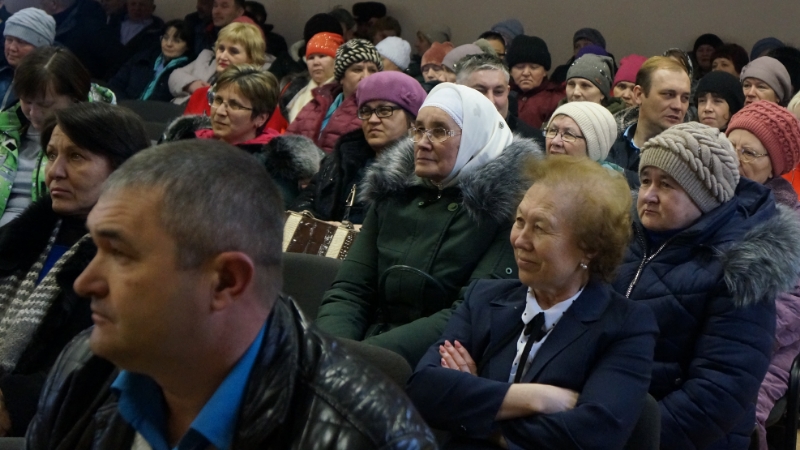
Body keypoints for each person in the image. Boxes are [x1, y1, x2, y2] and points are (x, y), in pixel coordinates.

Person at [25, 139, 438, 450]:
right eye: (96, 247)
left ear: (225, 281)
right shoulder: (85, 363)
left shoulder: (369, 435)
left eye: (121, 254)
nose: (84, 283)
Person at [406, 156, 658, 449]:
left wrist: (474, 403)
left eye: (540, 227)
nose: (519, 240)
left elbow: (594, 435)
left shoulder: (626, 325)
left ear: (589, 248)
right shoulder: (485, 298)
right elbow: (423, 390)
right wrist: (535, 398)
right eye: (519, 221)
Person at [315, 83, 542, 367]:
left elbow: (468, 314)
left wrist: (359, 357)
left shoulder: (506, 209)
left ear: (475, 139)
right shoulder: (392, 192)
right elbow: (350, 290)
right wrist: (329, 350)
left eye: (439, 131)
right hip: (357, 349)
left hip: (437, 361)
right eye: (419, 129)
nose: (422, 141)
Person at [612, 122, 800, 449]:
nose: (649, 195)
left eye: (667, 184)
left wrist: (627, 435)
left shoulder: (741, 267)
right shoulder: (624, 241)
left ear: (706, 194)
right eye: (645, 180)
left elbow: (718, 394)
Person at [0, 102, 149, 437]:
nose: (55, 171)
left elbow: (90, 375)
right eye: (51, 155)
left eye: (76, 157)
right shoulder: (22, 237)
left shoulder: (135, 261)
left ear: (122, 169)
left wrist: (12, 402)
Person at [725, 103, 800, 450]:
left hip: (769, 340)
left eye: (749, 152)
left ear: (774, 166)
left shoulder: (789, 220)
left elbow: (791, 306)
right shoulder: (705, 198)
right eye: (729, 146)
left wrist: (736, 338)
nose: (735, 158)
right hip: (710, 328)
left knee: (731, 408)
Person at [163, 65, 322, 207]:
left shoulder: (276, 164)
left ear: (261, 118)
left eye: (234, 105)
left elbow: (264, 218)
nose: (219, 112)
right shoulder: (187, 140)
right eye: (217, 100)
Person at [0, 46, 116, 228]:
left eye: (44, 104)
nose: (33, 113)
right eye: (26, 101)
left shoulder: (103, 134)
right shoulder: (6, 126)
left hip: (48, 234)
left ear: (75, 98)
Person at [290, 71, 426, 224]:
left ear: (413, 119)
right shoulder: (343, 157)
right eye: (366, 111)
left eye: (384, 111)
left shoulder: (423, 168)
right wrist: (318, 225)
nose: (373, 119)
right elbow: (306, 200)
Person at [286, 38, 382, 153]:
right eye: (357, 70)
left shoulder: (380, 112)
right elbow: (287, 142)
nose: (366, 77)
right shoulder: (318, 102)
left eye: (372, 70)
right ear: (342, 77)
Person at [607, 56, 691, 187]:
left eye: (685, 98)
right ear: (639, 95)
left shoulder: (691, 160)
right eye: (668, 94)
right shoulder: (605, 143)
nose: (678, 106)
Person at [169, 21, 266, 106]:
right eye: (221, 48)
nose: (222, 56)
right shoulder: (209, 59)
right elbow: (174, 76)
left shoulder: (253, 93)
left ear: (251, 58)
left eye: (233, 51)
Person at [455, 52, 543, 142]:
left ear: (507, 92)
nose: (491, 100)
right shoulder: (443, 135)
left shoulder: (533, 143)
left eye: (498, 92)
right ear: (456, 91)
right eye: (480, 91)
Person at [109, 19, 193, 101]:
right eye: (165, 38)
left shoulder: (187, 70)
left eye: (177, 41)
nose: (168, 44)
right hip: (124, 108)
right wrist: (125, 105)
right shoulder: (143, 58)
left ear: (187, 46)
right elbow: (115, 84)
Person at [40, 0, 118, 80]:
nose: (41, 9)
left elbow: (118, 62)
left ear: (53, 4)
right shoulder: (62, 25)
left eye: (43, 5)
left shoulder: (91, 28)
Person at [0, 8, 56, 110]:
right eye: (9, 39)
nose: (12, 48)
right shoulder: (3, 71)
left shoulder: (49, 85)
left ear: (41, 47)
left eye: (21, 42)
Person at [506, 34, 564, 129]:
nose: (526, 73)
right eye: (520, 67)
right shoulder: (502, 95)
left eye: (534, 67)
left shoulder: (556, 100)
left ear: (545, 71)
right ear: (510, 71)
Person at [284, 32, 343, 123]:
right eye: (311, 58)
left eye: (322, 56)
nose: (315, 62)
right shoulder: (296, 93)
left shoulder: (343, 93)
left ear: (336, 60)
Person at [544, 102, 618, 166]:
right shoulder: (535, 176)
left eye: (569, 134)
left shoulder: (606, 182)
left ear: (593, 149)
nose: (555, 141)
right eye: (552, 131)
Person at [107, 0, 164, 75]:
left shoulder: (157, 31)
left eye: (142, 5)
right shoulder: (114, 21)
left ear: (152, 8)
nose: (137, 8)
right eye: (133, 4)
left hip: (131, 73)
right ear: (127, 5)